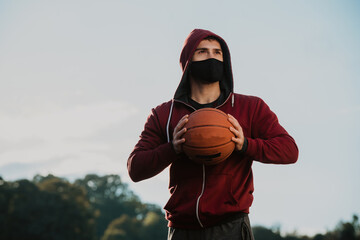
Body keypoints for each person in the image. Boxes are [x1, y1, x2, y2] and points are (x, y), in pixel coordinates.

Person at [127, 29, 298, 240]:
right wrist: (173, 148)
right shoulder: (165, 113)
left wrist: (245, 144)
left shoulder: (250, 107)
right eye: (203, 52)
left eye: (218, 53)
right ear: (188, 60)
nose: (211, 57)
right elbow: (135, 168)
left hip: (231, 227)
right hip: (182, 230)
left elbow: (290, 150)